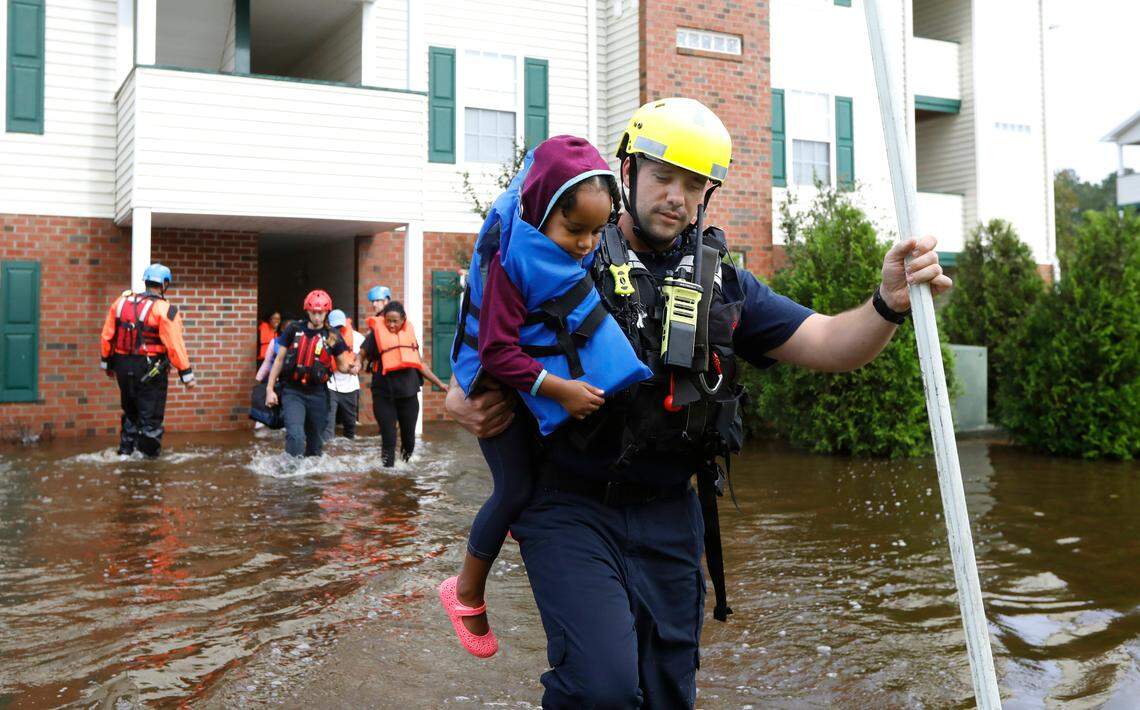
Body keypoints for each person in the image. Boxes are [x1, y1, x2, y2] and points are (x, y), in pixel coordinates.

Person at [444, 97, 953, 707]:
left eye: (694, 185)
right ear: (626, 171)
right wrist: (457, 396)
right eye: (662, 176)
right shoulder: (564, 246)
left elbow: (830, 343)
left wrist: (887, 303)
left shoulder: (724, 284)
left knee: (666, 694)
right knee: (602, 690)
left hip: (669, 510)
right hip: (568, 504)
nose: (676, 197)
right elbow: (483, 322)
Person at [438, 135, 653, 658]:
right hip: (493, 391)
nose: (585, 244)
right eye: (573, 230)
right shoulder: (516, 264)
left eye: (596, 231)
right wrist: (562, 390)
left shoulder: (560, 245)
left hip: (523, 394)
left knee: (533, 485)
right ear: (539, 213)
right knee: (513, 490)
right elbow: (495, 352)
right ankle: (464, 590)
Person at [100, 263, 196, 457]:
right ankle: (148, 465)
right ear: (165, 284)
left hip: (121, 364)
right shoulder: (165, 310)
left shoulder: (120, 302)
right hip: (150, 368)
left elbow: (107, 335)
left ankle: (125, 454)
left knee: (130, 413)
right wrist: (186, 374)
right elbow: (174, 345)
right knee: (150, 418)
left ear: (146, 282)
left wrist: (107, 364)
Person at [265, 290, 354, 457]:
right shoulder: (293, 329)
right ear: (307, 310)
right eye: (314, 312)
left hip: (318, 394)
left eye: (321, 313)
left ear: (327, 312)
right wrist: (270, 390)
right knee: (296, 436)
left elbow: (342, 366)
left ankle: (310, 478)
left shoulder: (333, 336)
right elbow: (278, 360)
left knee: (315, 445)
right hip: (293, 391)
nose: (318, 317)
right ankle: (292, 472)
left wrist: (352, 368)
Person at [359, 300, 448, 467]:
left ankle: (404, 472)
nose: (391, 325)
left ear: (403, 320)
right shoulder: (375, 336)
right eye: (388, 321)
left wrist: (440, 384)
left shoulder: (409, 336)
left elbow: (420, 364)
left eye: (395, 321)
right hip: (383, 396)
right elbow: (361, 354)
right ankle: (389, 480)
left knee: (409, 442)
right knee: (389, 440)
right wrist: (356, 363)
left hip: (408, 395)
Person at [323, 309, 364, 441]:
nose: (338, 329)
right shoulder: (324, 337)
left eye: (340, 326)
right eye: (335, 326)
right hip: (330, 386)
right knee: (328, 426)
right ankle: (329, 454)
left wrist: (357, 366)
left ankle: (348, 456)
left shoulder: (357, 337)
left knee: (350, 426)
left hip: (350, 386)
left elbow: (362, 357)